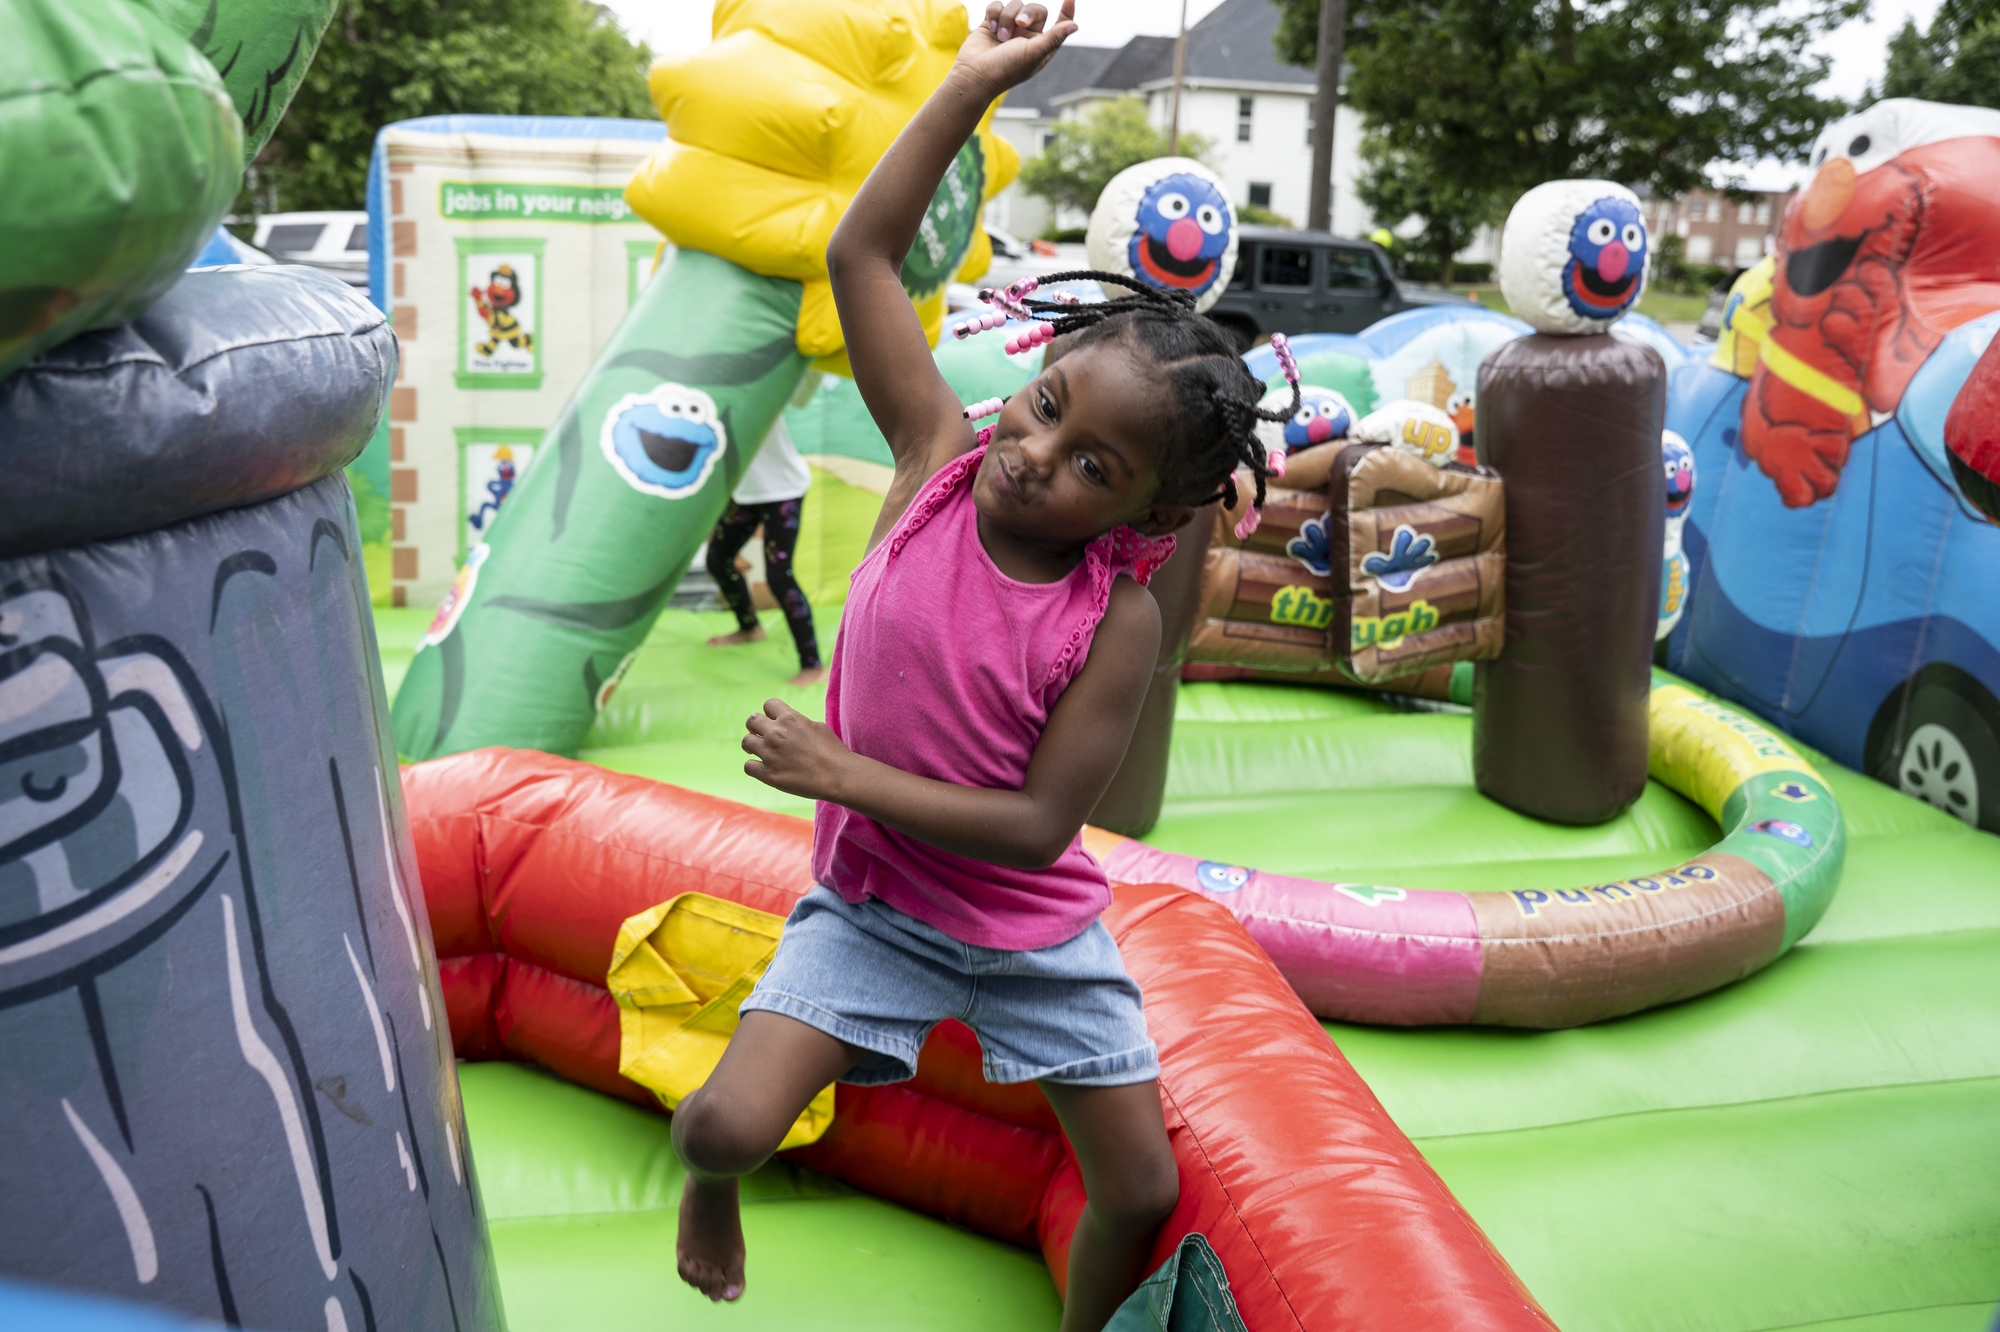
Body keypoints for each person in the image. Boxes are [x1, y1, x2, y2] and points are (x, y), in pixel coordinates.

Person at [668, 5, 1297, 1329]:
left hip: (1031, 934)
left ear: (1145, 516)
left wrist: (843, 769)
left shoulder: (1115, 620)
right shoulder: (929, 462)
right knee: (718, 1126)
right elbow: (865, 249)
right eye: (1049, 407)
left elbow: (1036, 828)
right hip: (876, 908)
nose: (1036, 453)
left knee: (1135, 1185)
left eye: (1093, 469)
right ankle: (711, 1190)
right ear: (1036, 372)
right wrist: (968, 83)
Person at [704, 414, 826, 686]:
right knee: (718, 560)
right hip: (746, 492)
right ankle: (750, 628)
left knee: (779, 576)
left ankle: (813, 665)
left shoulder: (759, 375)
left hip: (784, 489)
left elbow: (803, 398)